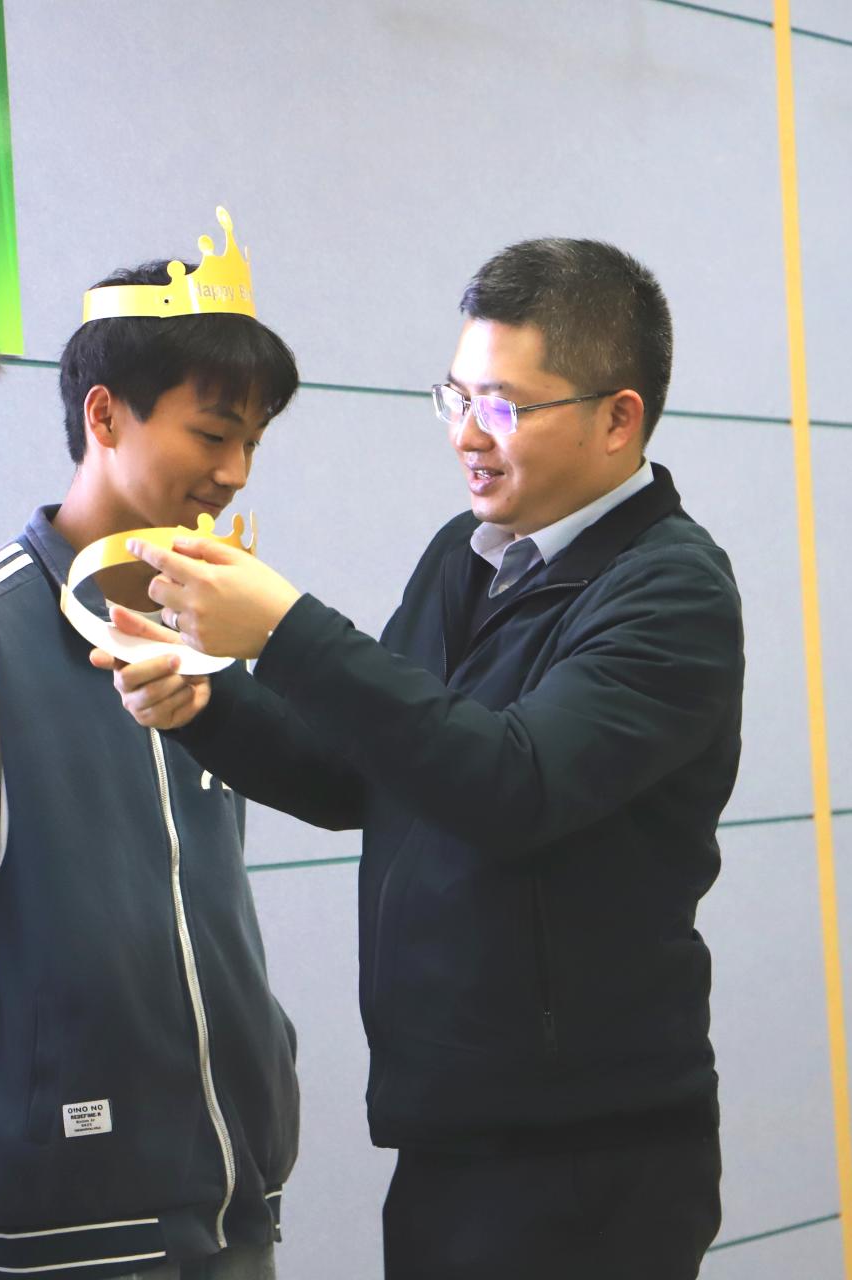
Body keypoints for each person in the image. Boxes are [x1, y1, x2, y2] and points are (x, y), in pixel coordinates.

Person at [101, 239, 744, 1278]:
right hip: (452, 1122)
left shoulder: (671, 591)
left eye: (504, 408)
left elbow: (514, 784)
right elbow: (361, 772)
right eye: (455, 396)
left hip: (590, 1149)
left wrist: (288, 630)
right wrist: (206, 703)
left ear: (618, 418)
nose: (466, 436)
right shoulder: (466, 554)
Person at [0, 217, 301, 1280]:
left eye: (252, 443)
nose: (233, 471)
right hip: (65, 1201)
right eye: (211, 434)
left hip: (234, 1195)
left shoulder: (215, 623)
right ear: (105, 413)